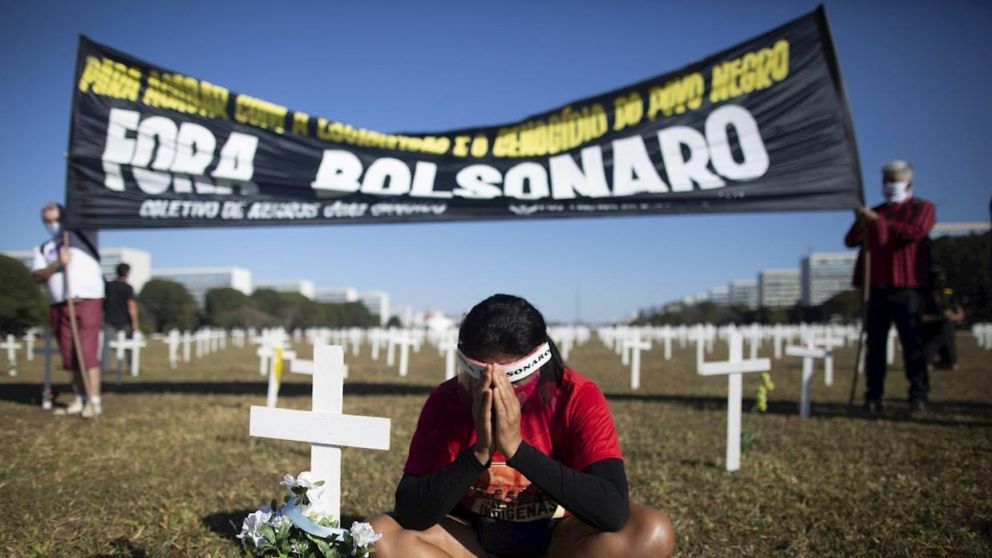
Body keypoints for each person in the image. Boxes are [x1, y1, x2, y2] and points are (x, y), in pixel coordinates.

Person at [369, 294, 674, 558]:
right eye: (481, 380)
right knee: (379, 535)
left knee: (651, 532)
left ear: (539, 366)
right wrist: (480, 453)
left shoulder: (577, 396)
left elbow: (612, 510)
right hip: (471, 540)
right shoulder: (446, 401)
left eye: (514, 381)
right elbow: (410, 511)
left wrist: (517, 449)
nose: (496, 391)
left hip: (559, 538)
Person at [844, 160, 935, 418]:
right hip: (877, 287)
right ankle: (873, 396)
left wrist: (880, 222)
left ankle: (917, 397)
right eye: (886, 180)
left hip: (908, 287)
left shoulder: (922, 208)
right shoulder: (875, 212)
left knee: (912, 345)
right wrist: (861, 221)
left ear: (908, 182)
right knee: (875, 346)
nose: (890, 185)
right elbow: (851, 240)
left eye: (894, 180)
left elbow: (915, 232)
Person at [31, 202, 105, 418]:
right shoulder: (44, 248)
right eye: (48, 221)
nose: (53, 225)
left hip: (87, 299)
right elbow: (38, 276)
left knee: (87, 352)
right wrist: (57, 264)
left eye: (57, 219)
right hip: (59, 305)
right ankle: (80, 397)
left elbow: (89, 212)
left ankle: (94, 399)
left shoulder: (84, 238)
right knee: (69, 354)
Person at [922, 268, 964, 371]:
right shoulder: (924, 295)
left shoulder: (949, 292)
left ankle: (943, 362)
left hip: (946, 332)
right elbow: (920, 317)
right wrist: (937, 317)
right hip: (931, 333)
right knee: (927, 365)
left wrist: (953, 316)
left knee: (953, 366)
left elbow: (960, 313)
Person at [101, 263, 139, 374]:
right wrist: (135, 323)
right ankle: (132, 366)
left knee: (106, 346)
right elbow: (131, 306)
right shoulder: (128, 288)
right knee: (131, 344)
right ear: (127, 273)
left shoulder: (109, 286)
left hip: (109, 319)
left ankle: (105, 368)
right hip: (125, 321)